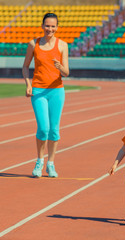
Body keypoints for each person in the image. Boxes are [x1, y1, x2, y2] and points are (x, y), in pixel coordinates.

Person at [22, 13, 69, 178]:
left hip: (57, 91)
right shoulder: (33, 44)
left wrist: (60, 67)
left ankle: (51, 164)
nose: (50, 29)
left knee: (54, 130)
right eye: (47, 25)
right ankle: (39, 161)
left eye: (53, 26)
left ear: (57, 27)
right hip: (38, 91)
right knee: (43, 128)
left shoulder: (63, 45)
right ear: (42, 26)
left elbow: (67, 72)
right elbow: (25, 67)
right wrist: (28, 85)